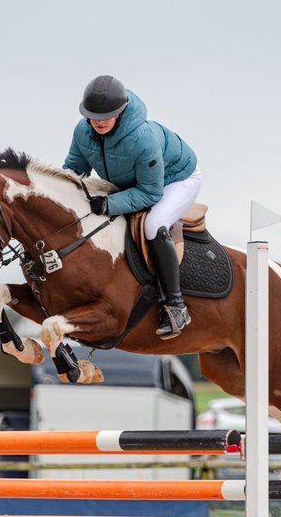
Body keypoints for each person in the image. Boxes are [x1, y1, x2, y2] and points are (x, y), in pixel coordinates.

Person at [63, 74, 201, 339]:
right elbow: (74, 170)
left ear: (121, 111)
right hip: (134, 183)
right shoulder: (83, 131)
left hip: (177, 178)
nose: (98, 121)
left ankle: (176, 305)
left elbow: (150, 193)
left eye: (106, 115)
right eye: (93, 115)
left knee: (153, 224)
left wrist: (109, 204)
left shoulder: (142, 138)